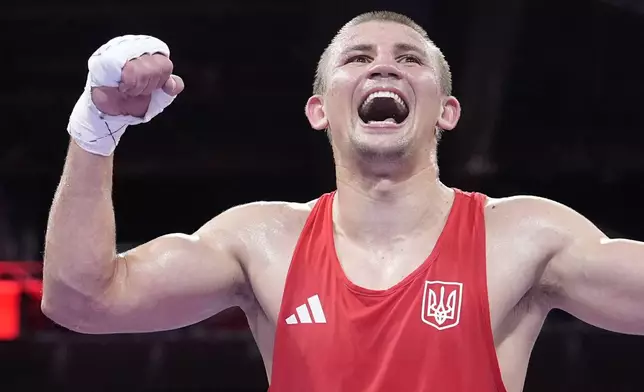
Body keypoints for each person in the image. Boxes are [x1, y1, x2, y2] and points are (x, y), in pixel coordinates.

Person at [41, 10, 644, 392]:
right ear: (320, 109)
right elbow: (83, 300)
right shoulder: (261, 242)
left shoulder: (524, 235)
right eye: (358, 59)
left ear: (448, 111)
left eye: (409, 59)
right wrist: (98, 125)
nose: (384, 67)